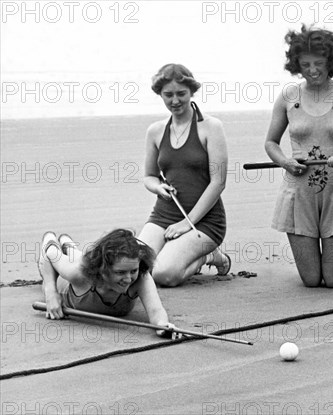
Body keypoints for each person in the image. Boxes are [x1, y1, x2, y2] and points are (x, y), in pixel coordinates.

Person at [264, 25, 333, 288]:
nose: (312, 70)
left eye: (319, 63)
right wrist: (285, 162)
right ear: (296, 64)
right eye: (305, 64)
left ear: (331, 62)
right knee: (311, 280)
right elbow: (270, 143)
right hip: (299, 193)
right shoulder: (288, 96)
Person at [138, 63, 230, 287]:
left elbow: (218, 183)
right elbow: (149, 176)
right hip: (164, 216)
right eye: (168, 95)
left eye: (181, 94)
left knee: (163, 275)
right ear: (160, 94)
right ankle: (179, 251)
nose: (175, 101)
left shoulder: (211, 127)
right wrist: (158, 187)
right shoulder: (156, 131)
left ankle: (211, 256)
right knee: (137, 268)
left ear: (192, 91)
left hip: (204, 221)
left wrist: (186, 224)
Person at [37, 229, 176, 338]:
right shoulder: (78, 273)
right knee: (71, 258)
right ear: (103, 269)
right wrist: (51, 293)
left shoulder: (141, 277)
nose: (128, 279)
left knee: (78, 256)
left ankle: (69, 245)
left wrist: (163, 326)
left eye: (133, 270)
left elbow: (156, 311)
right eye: (120, 273)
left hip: (83, 262)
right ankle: (52, 239)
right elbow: (50, 255)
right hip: (65, 282)